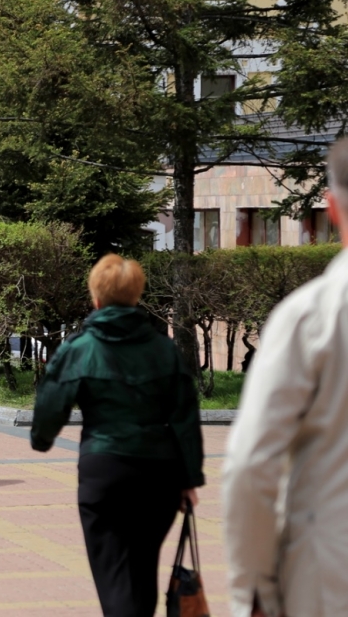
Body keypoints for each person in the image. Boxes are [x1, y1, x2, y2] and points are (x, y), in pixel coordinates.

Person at [30, 254, 204, 617]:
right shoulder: (163, 349)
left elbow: (51, 404)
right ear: (136, 296)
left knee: (114, 576)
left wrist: (42, 439)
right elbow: (186, 416)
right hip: (160, 476)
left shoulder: (80, 348)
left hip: (104, 472)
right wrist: (189, 479)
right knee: (141, 573)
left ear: (96, 298)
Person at [223, 138, 348, 617]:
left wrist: (252, 589)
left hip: (329, 572)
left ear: (331, 208)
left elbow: (251, 464)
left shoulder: (309, 318)